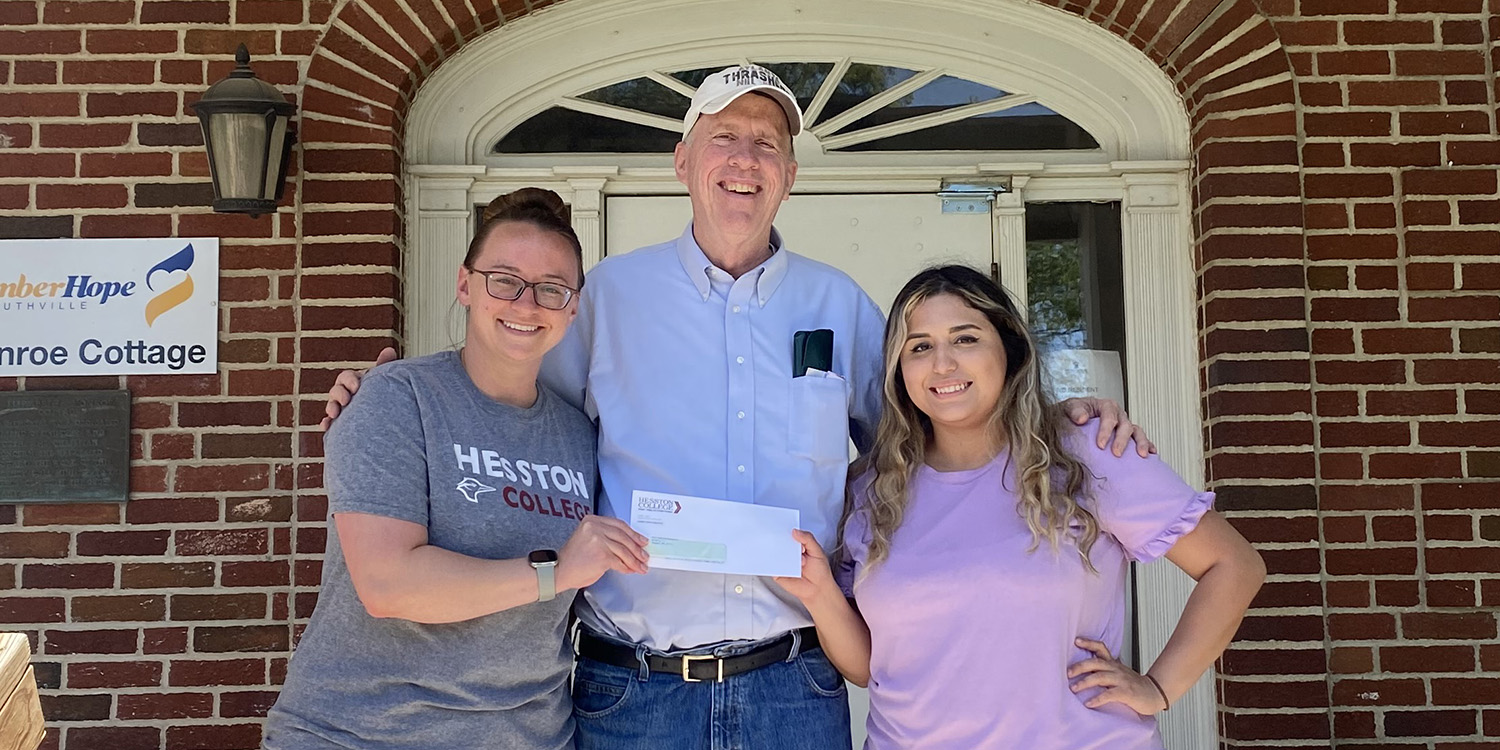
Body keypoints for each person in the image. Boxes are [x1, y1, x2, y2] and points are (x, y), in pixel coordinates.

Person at [322, 66, 1150, 750]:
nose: (744, 158)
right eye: (724, 136)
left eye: (767, 143)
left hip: (795, 684)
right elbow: (511, 393)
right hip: (630, 689)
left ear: (790, 174)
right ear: (683, 161)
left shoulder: (844, 307)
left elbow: (938, 416)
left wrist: (1054, 409)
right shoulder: (606, 298)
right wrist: (393, 395)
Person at [775, 265, 1265, 750]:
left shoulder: (1085, 453)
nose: (942, 363)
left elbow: (1233, 565)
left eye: (965, 339)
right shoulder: (873, 489)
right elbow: (869, 667)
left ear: (1008, 348)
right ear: (899, 371)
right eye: (919, 346)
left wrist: (1159, 687)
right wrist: (820, 595)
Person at [263, 189, 650, 750]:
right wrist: (556, 572)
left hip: (527, 737)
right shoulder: (397, 399)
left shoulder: (579, 434)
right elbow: (387, 585)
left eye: (551, 288)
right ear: (465, 284)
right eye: (504, 280)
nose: (525, 303)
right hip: (363, 733)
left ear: (573, 308)